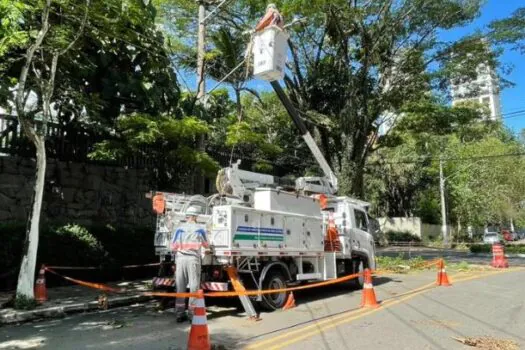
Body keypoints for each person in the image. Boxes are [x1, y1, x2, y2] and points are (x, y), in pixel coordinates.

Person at [171, 206, 209, 323]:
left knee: (180, 287)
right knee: (193, 287)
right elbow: (206, 245)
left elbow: (173, 246)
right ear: (196, 216)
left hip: (181, 259)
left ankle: (179, 314)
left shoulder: (179, 229)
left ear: (187, 216)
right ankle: (192, 314)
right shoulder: (200, 229)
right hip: (193, 260)